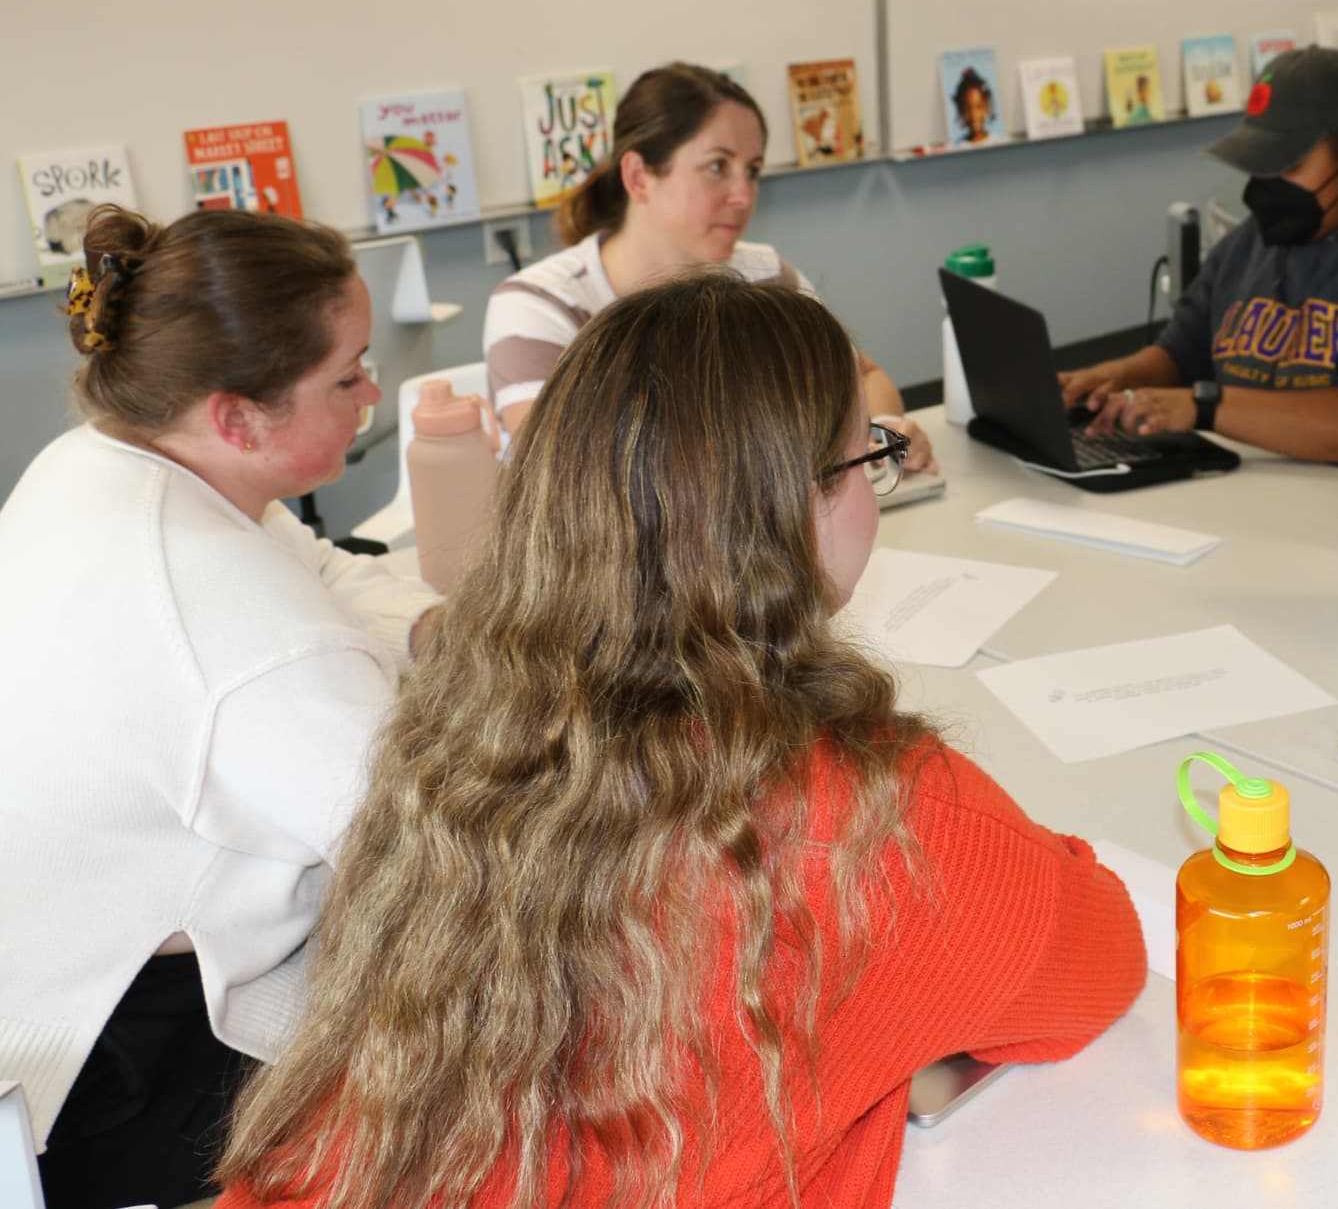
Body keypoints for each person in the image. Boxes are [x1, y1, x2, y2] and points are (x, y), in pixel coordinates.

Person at [214, 272, 1146, 1209]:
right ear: (795, 512)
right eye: (871, 457)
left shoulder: (452, 740)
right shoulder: (879, 820)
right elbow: (1097, 961)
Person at [0, 206, 440, 1209]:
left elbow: (316, 563)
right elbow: (437, 854)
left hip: (45, 973)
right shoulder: (256, 649)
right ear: (239, 414)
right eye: (348, 374)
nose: (374, 389)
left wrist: (437, 631)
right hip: (109, 1067)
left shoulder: (105, 462)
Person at [1061, 47, 1338, 461]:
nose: (1264, 184)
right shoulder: (1250, 243)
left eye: (1287, 164)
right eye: (1258, 161)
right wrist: (1113, 377)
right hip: (1253, 498)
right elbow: (1179, 356)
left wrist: (1207, 407)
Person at [483, 61, 930, 470]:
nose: (743, 196)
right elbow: (562, 468)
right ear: (639, 177)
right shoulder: (538, 305)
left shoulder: (765, 276)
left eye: (752, 170)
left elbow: (862, 378)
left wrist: (885, 430)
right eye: (717, 166)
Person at [953, 66, 996, 145]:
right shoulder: (957, 147)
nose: (973, 114)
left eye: (978, 107)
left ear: (986, 107)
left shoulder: (999, 143)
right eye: (967, 108)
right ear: (960, 110)